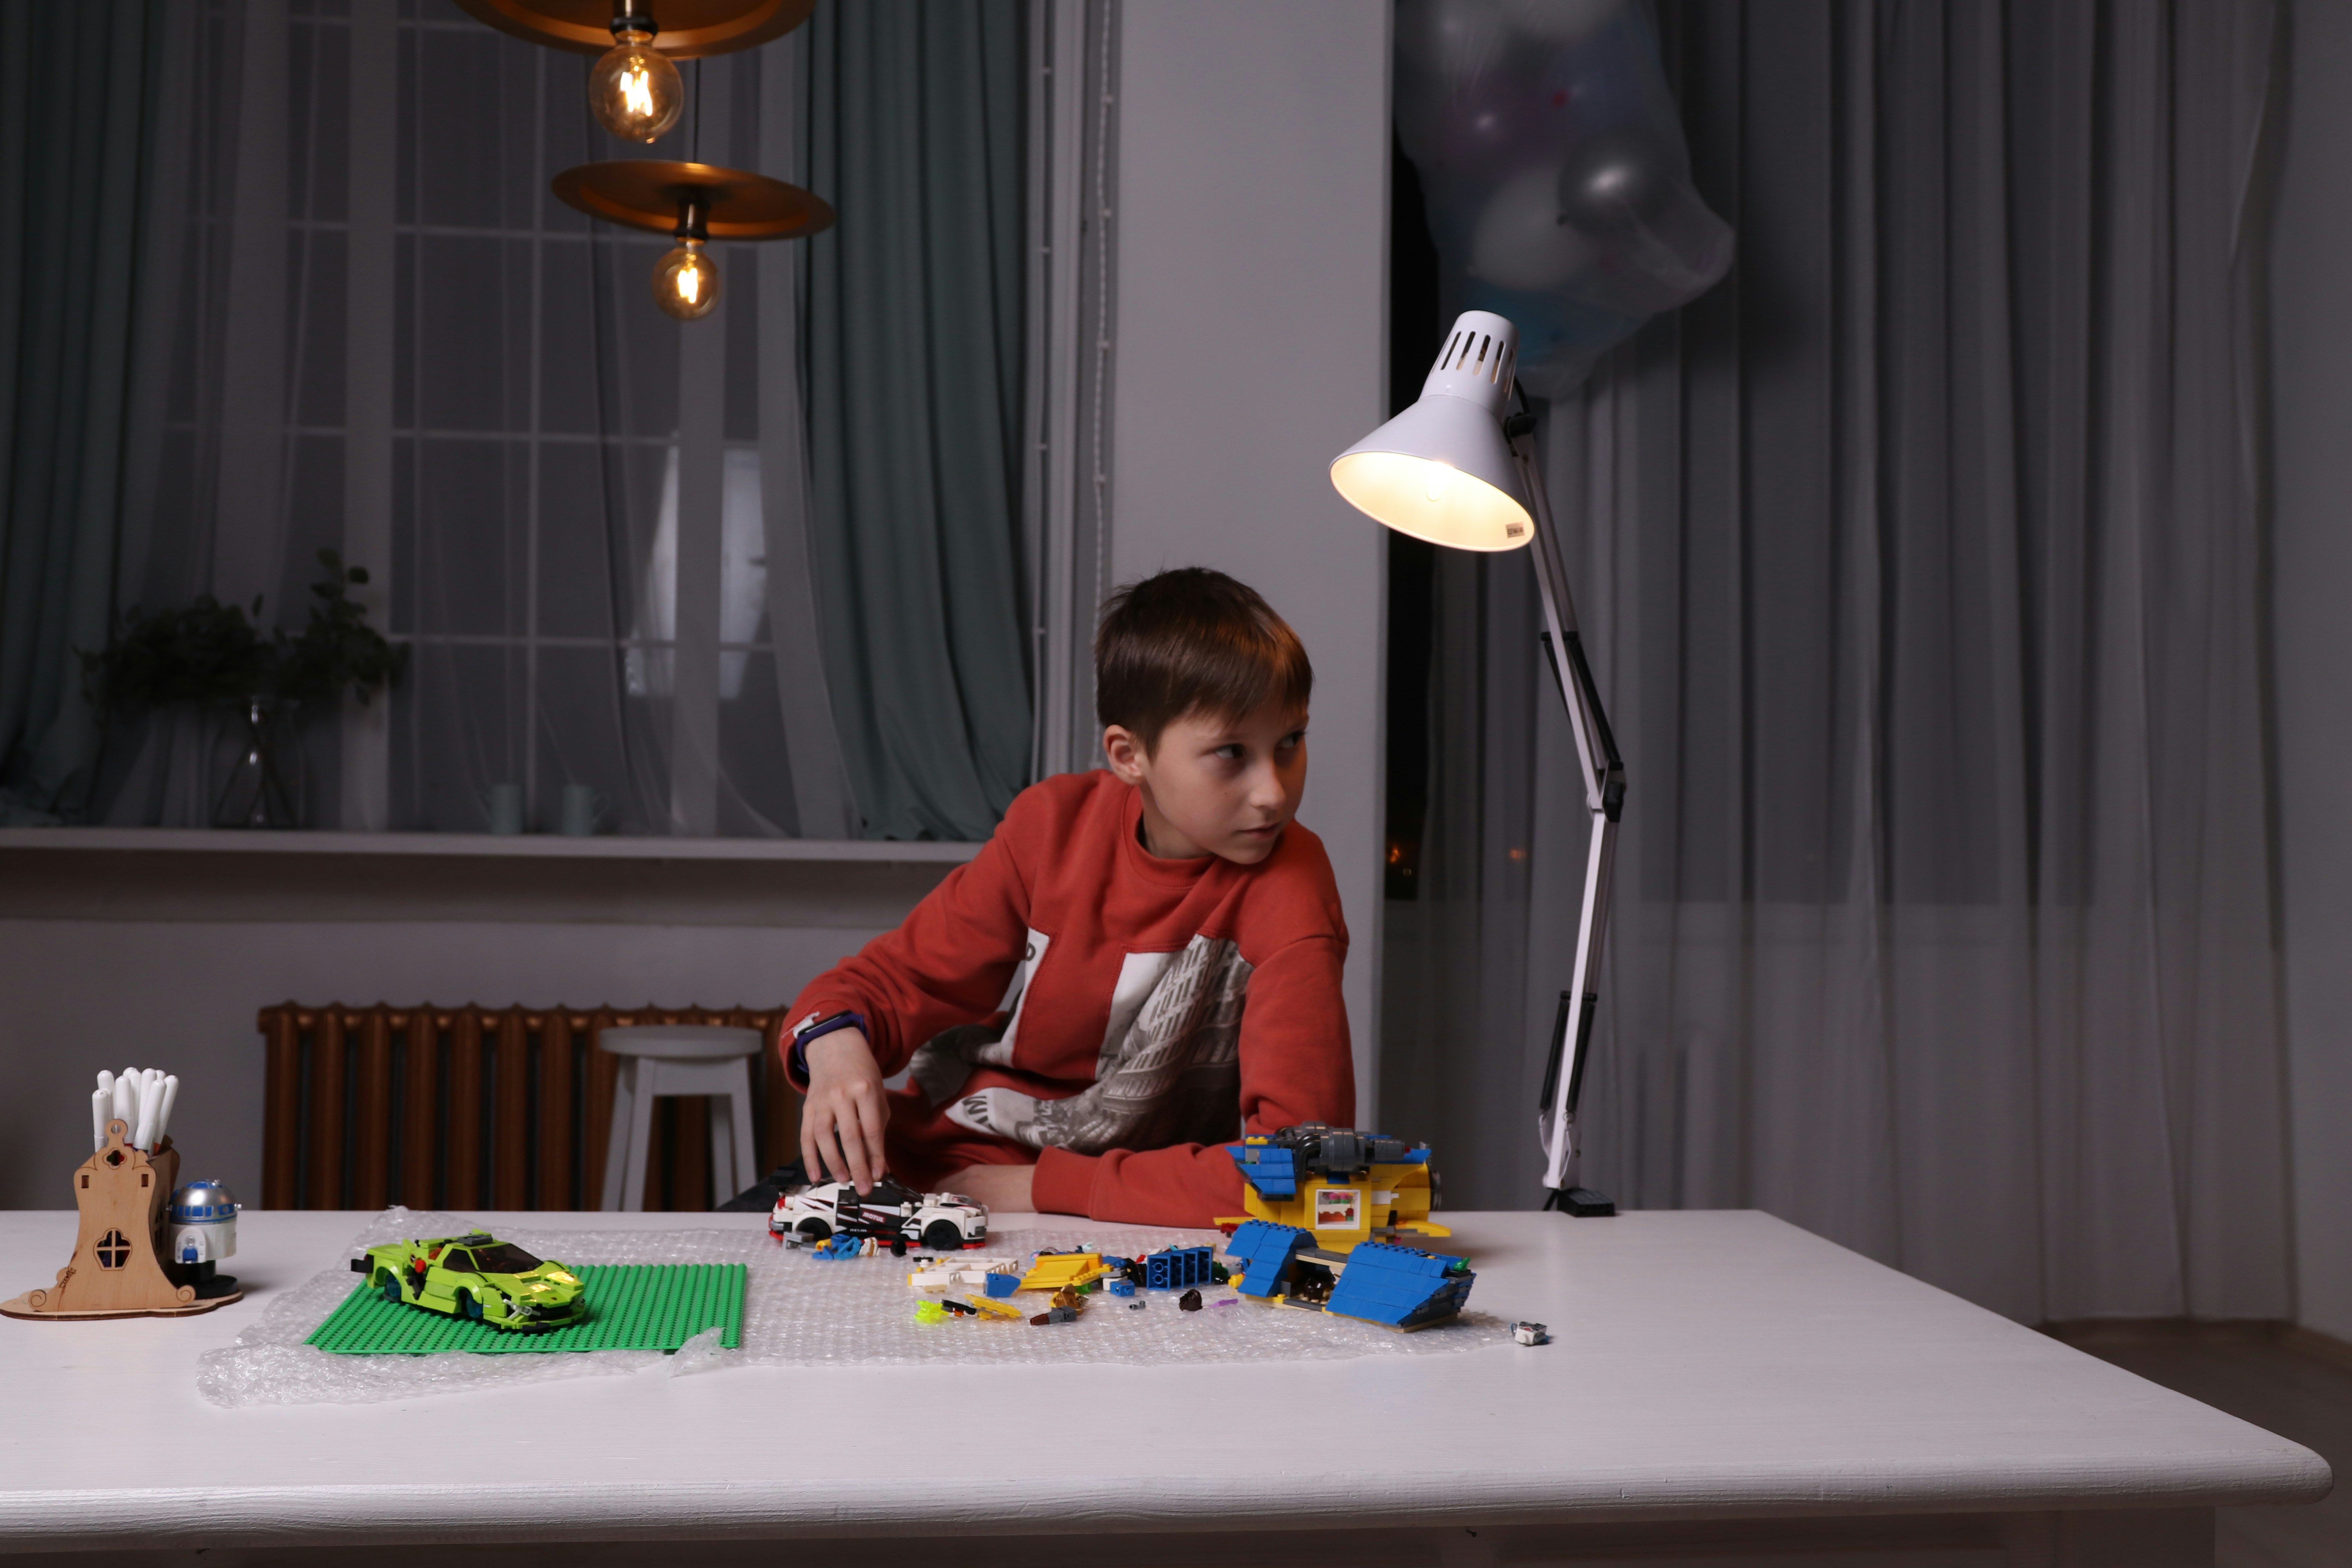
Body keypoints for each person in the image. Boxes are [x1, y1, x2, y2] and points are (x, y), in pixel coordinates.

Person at [782, 567, 1353, 1227]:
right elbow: (883, 985)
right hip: (932, 1176)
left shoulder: (1293, 883)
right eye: (1231, 753)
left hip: (1121, 1214)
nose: (1274, 792)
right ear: (1128, 755)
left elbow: (1305, 1171)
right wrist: (833, 1046)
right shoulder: (1050, 829)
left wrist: (1042, 1188)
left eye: (1291, 742)